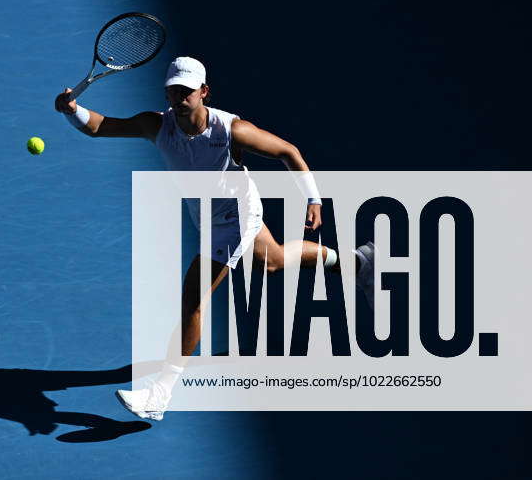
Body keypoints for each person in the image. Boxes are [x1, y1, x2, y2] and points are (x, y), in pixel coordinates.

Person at [54, 56, 374, 421]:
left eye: (187, 91)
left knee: (193, 297)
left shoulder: (232, 131)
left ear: (204, 91)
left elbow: (289, 152)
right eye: (174, 90)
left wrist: (313, 199)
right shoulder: (156, 125)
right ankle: (357, 262)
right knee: (273, 262)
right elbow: (101, 127)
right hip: (208, 216)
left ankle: (160, 394)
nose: (179, 97)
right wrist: (73, 110)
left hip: (236, 219)